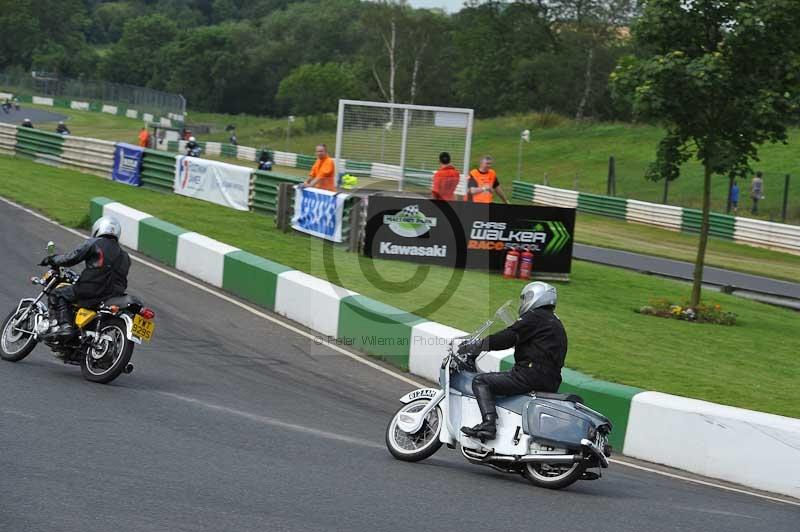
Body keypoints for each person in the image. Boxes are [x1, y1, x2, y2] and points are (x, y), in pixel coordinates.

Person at [458, 282, 567, 440]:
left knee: (481, 381)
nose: (522, 303)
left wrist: (480, 345)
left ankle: (488, 425)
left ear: (536, 297)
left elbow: (508, 337)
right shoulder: (554, 321)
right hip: (549, 379)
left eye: (525, 298)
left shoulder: (535, 317)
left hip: (530, 375)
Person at [39, 216, 131, 341]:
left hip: (91, 288)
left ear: (99, 228)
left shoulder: (95, 243)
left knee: (57, 294)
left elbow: (72, 258)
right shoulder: (126, 256)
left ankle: (64, 327)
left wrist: (53, 259)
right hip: (113, 295)